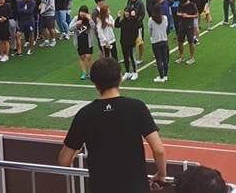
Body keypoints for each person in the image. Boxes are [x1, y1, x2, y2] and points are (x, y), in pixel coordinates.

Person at [57, 58, 167, 192]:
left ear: (94, 82)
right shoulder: (137, 107)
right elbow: (158, 150)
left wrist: (79, 144)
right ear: (120, 78)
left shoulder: (85, 114)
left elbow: (64, 160)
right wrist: (161, 174)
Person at [69, 5, 96, 80]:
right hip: (79, 41)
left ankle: (90, 72)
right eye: (81, 12)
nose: (82, 13)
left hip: (88, 41)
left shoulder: (89, 18)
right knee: (82, 57)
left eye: (84, 12)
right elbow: (70, 28)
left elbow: (94, 27)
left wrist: (90, 19)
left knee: (88, 56)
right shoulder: (76, 18)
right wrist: (76, 24)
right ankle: (84, 72)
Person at [148, 6, 170, 82]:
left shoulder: (151, 19)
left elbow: (150, 30)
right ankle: (165, 75)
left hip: (155, 41)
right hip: (164, 40)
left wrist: (152, 36)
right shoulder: (165, 18)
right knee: (165, 59)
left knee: (158, 59)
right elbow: (166, 27)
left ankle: (161, 76)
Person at [175, 0, 198, 64]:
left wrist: (188, 16)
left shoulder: (192, 5)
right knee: (180, 41)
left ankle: (192, 57)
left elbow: (196, 15)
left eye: (183, 3)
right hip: (181, 25)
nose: (182, 4)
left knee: (191, 42)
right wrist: (181, 14)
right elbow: (177, 13)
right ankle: (181, 57)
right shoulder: (180, 4)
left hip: (189, 26)